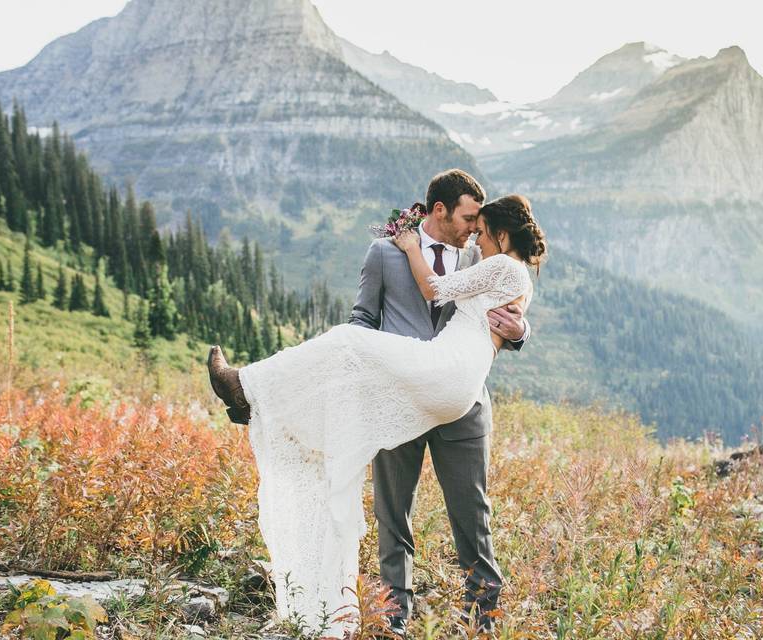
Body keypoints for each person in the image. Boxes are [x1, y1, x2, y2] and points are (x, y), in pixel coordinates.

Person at [207, 188, 546, 636]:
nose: (471, 233)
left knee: (472, 518)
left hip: (457, 396)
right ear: (438, 210)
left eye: (479, 227)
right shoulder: (384, 253)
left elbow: (508, 305)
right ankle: (393, 622)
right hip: (397, 390)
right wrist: (360, 370)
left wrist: (521, 329)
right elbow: (364, 318)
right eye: (467, 220)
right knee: (393, 516)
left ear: (499, 235)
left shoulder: (480, 259)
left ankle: (483, 622)